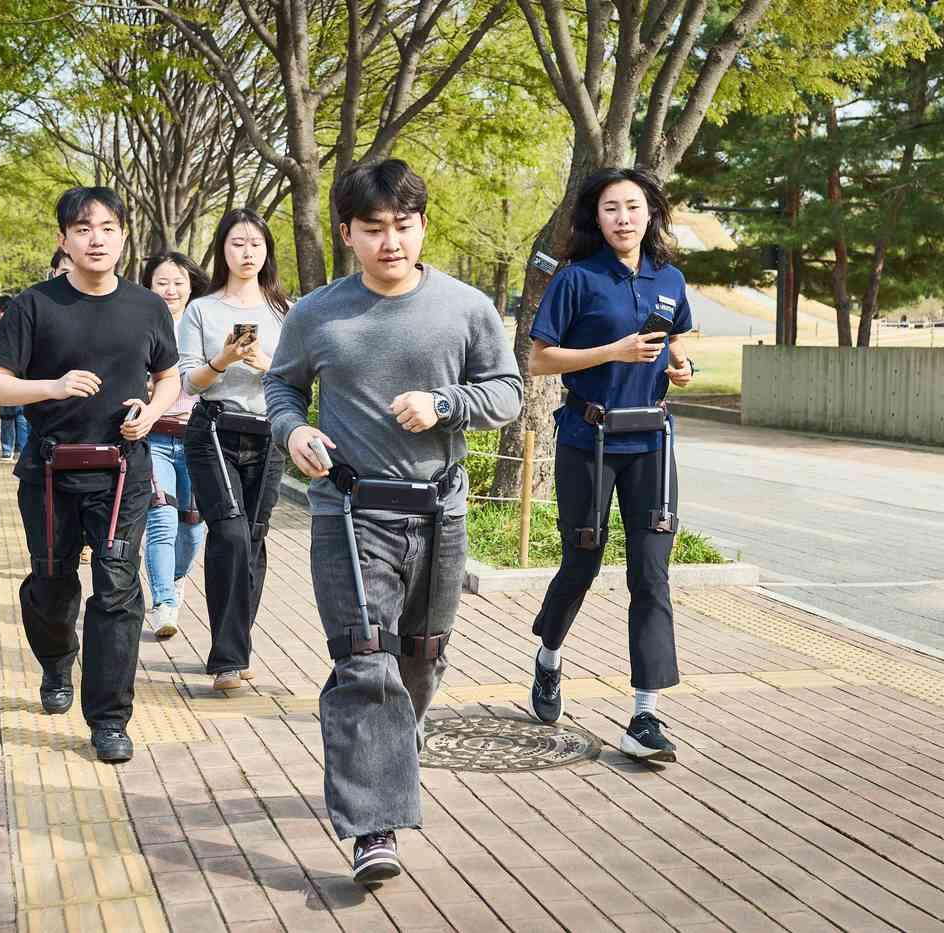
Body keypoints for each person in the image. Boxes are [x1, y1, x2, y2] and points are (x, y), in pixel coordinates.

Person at [265, 159, 521, 884]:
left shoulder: (466, 307)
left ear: (422, 226)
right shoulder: (317, 312)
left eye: (403, 226)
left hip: (440, 512)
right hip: (349, 512)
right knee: (364, 661)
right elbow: (282, 390)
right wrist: (293, 434)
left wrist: (444, 405)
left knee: (421, 658)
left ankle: (389, 753)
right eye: (373, 229)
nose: (390, 242)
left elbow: (505, 391)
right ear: (346, 232)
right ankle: (374, 827)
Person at [0, 186, 180, 763]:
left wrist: (153, 410)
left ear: (123, 236)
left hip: (123, 472)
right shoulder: (35, 306)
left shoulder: (146, 306)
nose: (98, 239)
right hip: (48, 471)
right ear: (64, 239)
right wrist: (54, 386)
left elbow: (167, 376)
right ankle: (57, 659)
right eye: (85, 228)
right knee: (51, 583)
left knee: (118, 589)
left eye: (109, 228)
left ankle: (109, 720)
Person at [525, 167, 694, 763]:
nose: (623, 217)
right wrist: (613, 352)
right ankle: (548, 655)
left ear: (651, 213)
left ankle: (645, 714)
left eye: (633, 207)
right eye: (610, 208)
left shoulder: (669, 278)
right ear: (595, 219)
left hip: (651, 442)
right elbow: (542, 360)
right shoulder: (576, 279)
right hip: (588, 441)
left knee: (650, 575)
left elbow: (675, 343)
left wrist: (681, 367)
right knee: (581, 562)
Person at [178, 209, 289, 692]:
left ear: (267, 252)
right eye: (237, 243)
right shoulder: (202, 310)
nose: (247, 253)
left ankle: (236, 645)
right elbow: (190, 380)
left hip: (269, 434)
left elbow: (299, 378)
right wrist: (222, 359)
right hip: (214, 432)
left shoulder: (289, 310)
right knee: (231, 535)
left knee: (256, 537)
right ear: (222, 249)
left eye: (256, 244)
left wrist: (267, 365)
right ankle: (227, 658)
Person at [140, 252, 210, 639]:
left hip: (198, 439)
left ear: (190, 285)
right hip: (155, 437)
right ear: (149, 286)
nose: (170, 289)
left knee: (193, 526)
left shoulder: (203, 323)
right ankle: (164, 602)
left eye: (178, 281)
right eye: (161, 282)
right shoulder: (139, 323)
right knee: (161, 518)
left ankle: (176, 577)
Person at [0, 293, 30, 461]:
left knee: (16, 417)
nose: (0, 314)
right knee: (11, 416)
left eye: (1, 311)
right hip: (11, 381)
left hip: (14, 381)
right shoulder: (25, 329)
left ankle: (14, 449)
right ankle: (13, 450)